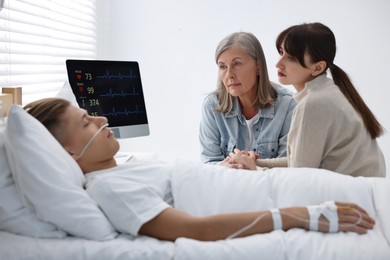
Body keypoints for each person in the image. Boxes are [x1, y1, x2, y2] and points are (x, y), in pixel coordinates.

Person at [24, 97, 375, 241]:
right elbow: (194, 229)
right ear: (67, 151)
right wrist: (298, 216)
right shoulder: (108, 189)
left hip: (279, 183)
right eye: (86, 122)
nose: (101, 119)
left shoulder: (125, 171)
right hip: (285, 198)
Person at [223, 23, 386, 177]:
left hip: (350, 196)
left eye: (291, 58)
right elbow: (298, 162)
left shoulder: (314, 103)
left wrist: (254, 168)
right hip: (357, 189)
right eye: (281, 53)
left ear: (318, 67)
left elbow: (299, 177)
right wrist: (254, 161)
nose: (279, 64)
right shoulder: (327, 92)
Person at [199, 32, 296, 163]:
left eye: (237, 63)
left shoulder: (288, 104)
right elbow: (209, 163)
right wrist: (231, 168)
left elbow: (289, 165)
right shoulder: (212, 105)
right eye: (222, 66)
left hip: (269, 183)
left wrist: (251, 166)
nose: (229, 74)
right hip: (226, 183)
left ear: (258, 67)